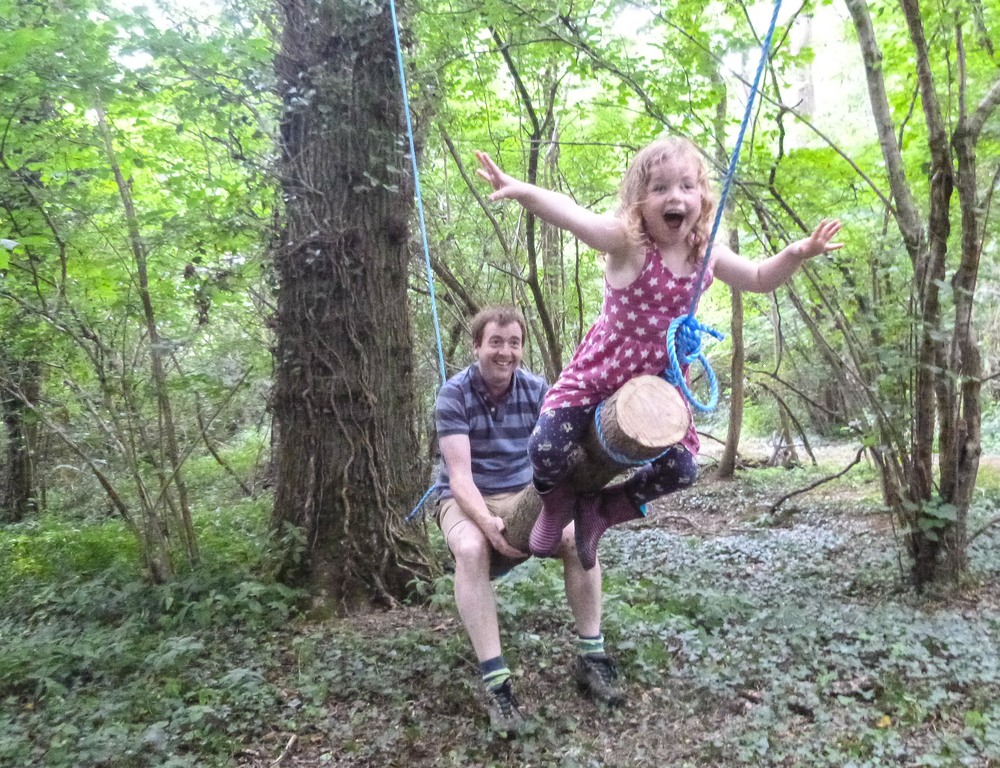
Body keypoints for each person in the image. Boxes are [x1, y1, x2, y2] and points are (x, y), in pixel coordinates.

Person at [475, 137, 843, 570]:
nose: (676, 197)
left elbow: (760, 277)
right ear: (639, 201)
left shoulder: (706, 254)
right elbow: (573, 217)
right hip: (602, 370)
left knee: (682, 469)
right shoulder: (628, 243)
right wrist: (521, 190)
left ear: (703, 197)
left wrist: (796, 253)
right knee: (545, 446)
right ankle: (557, 506)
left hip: (659, 383)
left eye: (687, 186)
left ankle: (603, 511)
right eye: (661, 188)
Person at [435, 305, 624, 737]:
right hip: (468, 498)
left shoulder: (538, 389)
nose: (505, 352)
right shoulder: (454, 395)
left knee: (579, 540)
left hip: (525, 495)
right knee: (470, 549)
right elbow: (459, 478)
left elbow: (561, 450)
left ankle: (591, 656)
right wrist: (487, 524)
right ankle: (497, 683)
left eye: (514, 343)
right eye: (495, 342)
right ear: (477, 346)